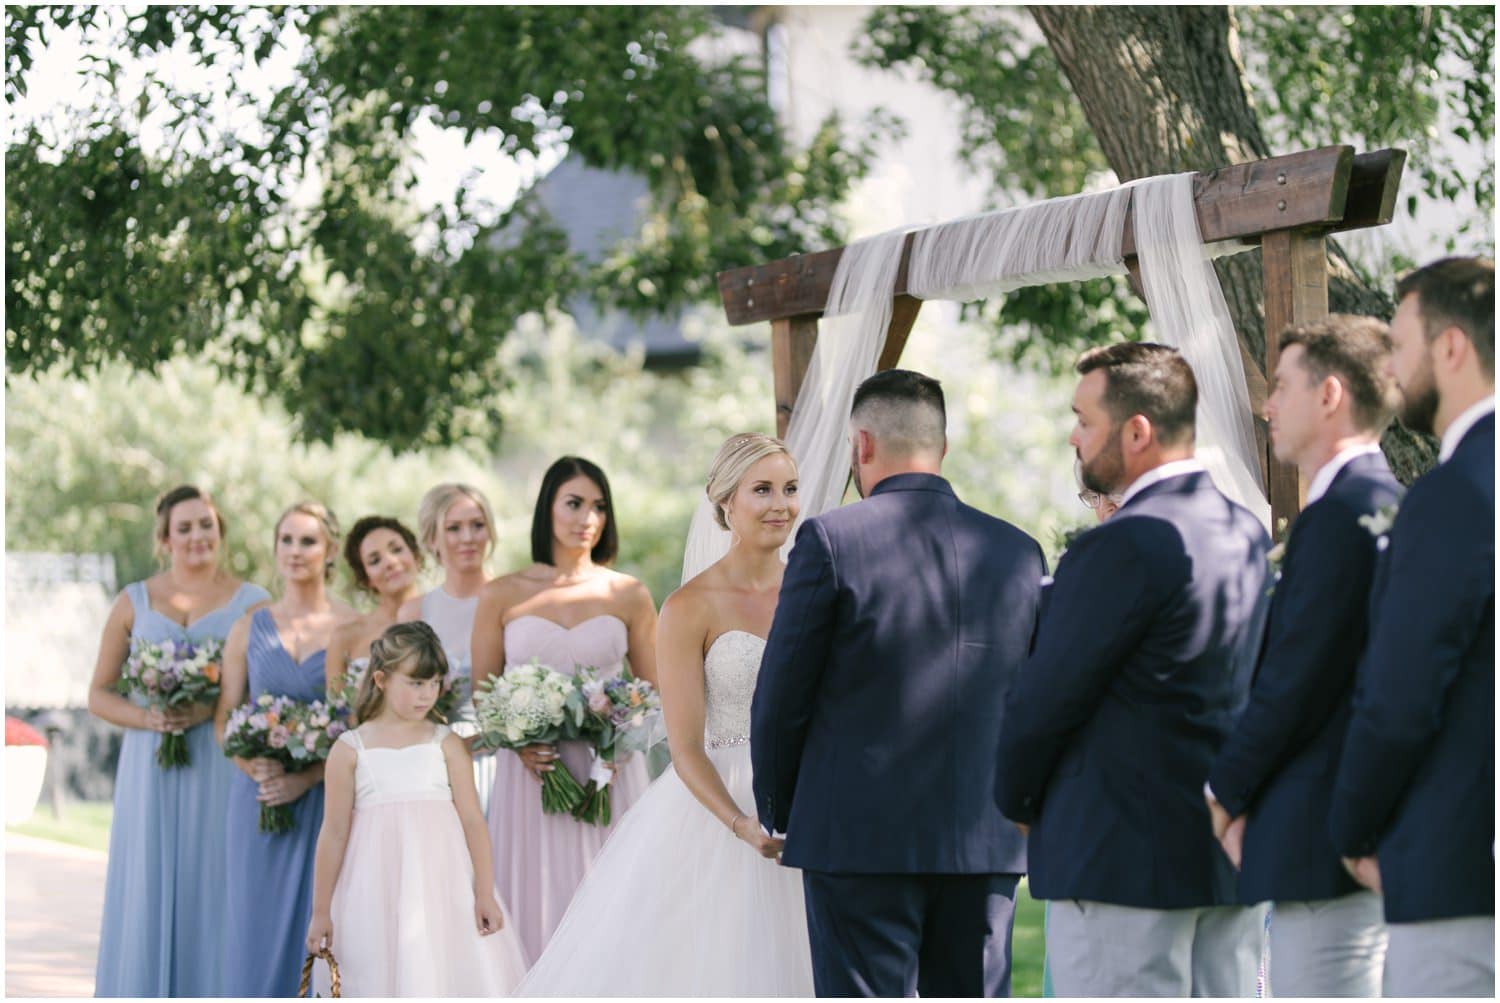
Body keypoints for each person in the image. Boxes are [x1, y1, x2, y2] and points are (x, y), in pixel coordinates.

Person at [752, 370, 1045, 998]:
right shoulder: (1019, 552)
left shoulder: (830, 540)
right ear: (942, 444)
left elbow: (782, 693)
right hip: (984, 841)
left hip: (857, 839)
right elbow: (1034, 700)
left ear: (861, 444)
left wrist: (778, 805)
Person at [995, 343, 1270, 996]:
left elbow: (1044, 700)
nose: (1073, 435)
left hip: (1119, 860)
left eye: (1084, 420)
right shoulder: (1245, 532)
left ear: (1137, 430)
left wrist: (1018, 802)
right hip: (1218, 859)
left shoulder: (1119, 545)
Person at [519, 433, 814, 995]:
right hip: (717, 810)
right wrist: (741, 826)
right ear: (727, 502)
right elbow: (684, 748)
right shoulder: (689, 606)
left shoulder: (814, 590)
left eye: (790, 489)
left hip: (806, 803)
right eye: (763, 490)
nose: (781, 504)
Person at [1204, 316, 1403, 995]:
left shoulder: (1339, 516)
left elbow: (1298, 675)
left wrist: (1223, 791)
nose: (1268, 405)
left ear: (1330, 395)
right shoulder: (1391, 504)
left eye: (1282, 385)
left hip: (1322, 834)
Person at [1329, 257, 1495, 997]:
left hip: (1459, 865)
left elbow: (1400, 692)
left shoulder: (1453, 495)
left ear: (1451, 347)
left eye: (1401, 343)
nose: (1391, 369)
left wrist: (1355, 827)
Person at [471, 456, 659, 961]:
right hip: (532, 778)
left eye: (599, 507)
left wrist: (621, 742)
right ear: (547, 509)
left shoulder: (629, 594)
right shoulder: (503, 594)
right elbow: (482, 695)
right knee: (536, 904)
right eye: (574, 503)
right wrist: (519, 741)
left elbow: (655, 692)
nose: (588, 518)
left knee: (613, 907)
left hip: (609, 775)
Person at [89, 485, 270, 997]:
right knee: (146, 882)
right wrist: (151, 721)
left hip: (219, 759)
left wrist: (212, 707)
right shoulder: (134, 600)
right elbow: (98, 695)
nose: (197, 537)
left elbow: (269, 689)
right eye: (184, 528)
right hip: (149, 766)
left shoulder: (253, 602)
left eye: (206, 525)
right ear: (165, 538)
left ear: (221, 532)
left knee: (217, 881)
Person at [305, 621, 528, 996]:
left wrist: (485, 892)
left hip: (444, 888)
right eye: (415, 683)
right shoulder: (349, 749)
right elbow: (334, 831)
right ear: (381, 679)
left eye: (434, 683)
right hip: (371, 890)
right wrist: (321, 910)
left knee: (442, 970)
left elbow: (473, 821)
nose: (428, 694)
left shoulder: (446, 743)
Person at [216, 501, 356, 997]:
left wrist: (308, 776)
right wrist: (255, 767)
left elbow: (358, 726)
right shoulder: (247, 627)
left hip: (328, 802)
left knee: (325, 930)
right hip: (259, 802)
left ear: (331, 550)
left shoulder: (352, 627)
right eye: (288, 540)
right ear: (275, 549)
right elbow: (225, 720)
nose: (297, 552)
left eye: (309, 541)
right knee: (252, 926)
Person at [398, 483, 498, 809]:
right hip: (433, 767)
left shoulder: (512, 603)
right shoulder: (414, 612)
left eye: (477, 525)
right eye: (454, 528)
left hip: (501, 762)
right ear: (431, 539)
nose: (468, 537)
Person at [327, 516, 423, 704]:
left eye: (396, 549)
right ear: (366, 579)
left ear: (416, 557)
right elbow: (335, 713)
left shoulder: (446, 616)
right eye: (375, 560)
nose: (390, 562)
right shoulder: (346, 637)